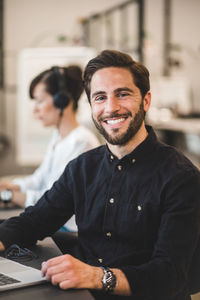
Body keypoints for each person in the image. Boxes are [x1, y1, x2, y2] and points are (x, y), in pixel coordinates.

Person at [0, 49, 200, 300]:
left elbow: (168, 275)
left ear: (146, 100)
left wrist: (97, 276)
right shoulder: (82, 168)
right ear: (92, 105)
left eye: (123, 94)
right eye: (100, 97)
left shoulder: (180, 177)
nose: (111, 108)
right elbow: (35, 220)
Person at [0, 65, 100, 231]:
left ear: (62, 100)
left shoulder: (81, 142)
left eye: (40, 101)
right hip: (54, 222)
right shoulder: (59, 137)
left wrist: (8, 196)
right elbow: (39, 179)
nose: (35, 109)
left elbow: (54, 201)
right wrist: (9, 186)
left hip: (68, 229)